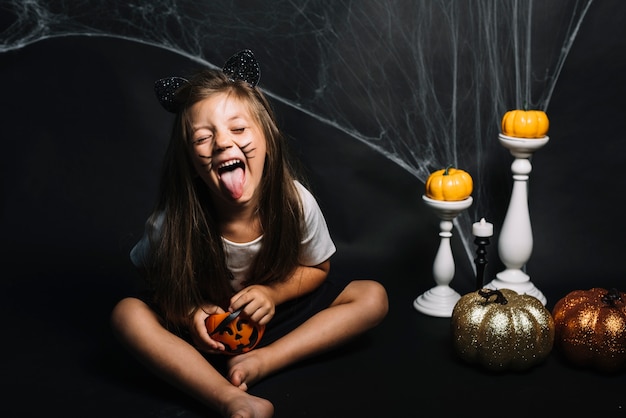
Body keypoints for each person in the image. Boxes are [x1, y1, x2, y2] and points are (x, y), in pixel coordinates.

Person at [110, 50, 388, 418]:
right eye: (203, 138)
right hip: (205, 335)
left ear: (268, 140)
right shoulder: (170, 222)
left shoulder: (296, 202)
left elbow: (319, 269)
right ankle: (227, 397)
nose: (223, 142)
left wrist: (273, 294)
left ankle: (264, 361)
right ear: (192, 164)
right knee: (126, 313)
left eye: (238, 129)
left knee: (373, 296)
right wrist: (186, 312)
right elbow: (152, 278)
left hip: (277, 320)